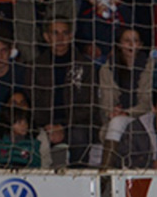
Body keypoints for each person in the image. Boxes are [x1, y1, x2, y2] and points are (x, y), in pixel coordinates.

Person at [27, 18, 101, 167]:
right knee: (37, 138)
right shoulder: (35, 67)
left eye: (65, 33)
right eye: (55, 33)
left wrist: (63, 126)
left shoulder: (86, 66)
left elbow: (89, 105)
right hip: (45, 125)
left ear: (71, 36)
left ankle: (79, 182)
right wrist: (49, 126)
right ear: (46, 37)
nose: (60, 38)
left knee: (79, 136)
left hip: (77, 124)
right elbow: (32, 103)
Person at [99, 27, 154, 166]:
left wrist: (127, 112)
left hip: (144, 118)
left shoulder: (150, 66)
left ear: (141, 45)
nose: (131, 45)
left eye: (135, 41)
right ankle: (107, 174)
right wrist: (114, 112)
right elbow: (107, 101)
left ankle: (105, 172)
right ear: (119, 44)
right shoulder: (107, 68)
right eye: (127, 41)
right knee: (115, 124)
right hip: (116, 117)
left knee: (117, 124)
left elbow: (147, 103)